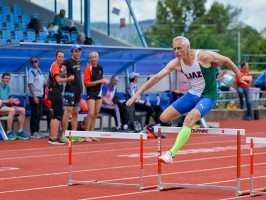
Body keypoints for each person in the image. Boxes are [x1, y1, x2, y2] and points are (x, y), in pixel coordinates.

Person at [126, 36, 251, 164]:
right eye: (174, 49)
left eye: (179, 48)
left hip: (208, 96)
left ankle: (171, 154)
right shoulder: (176, 62)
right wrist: (138, 93)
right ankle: (184, 127)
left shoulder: (203, 56)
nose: (176, 51)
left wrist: (239, 75)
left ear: (188, 47)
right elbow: (157, 77)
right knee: (163, 118)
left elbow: (226, 60)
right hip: (192, 95)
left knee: (189, 119)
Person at [48, 50, 74, 145]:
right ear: (56, 57)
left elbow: (62, 77)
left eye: (62, 57)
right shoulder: (55, 66)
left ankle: (52, 136)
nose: (61, 58)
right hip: (55, 91)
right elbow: (58, 79)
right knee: (58, 115)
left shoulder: (60, 67)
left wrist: (66, 75)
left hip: (55, 91)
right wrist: (68, 79)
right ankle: (54, 138)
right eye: (59, 56)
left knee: (55, 115)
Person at [61, 45, 85, 142]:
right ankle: (64, 134)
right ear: (72, 52)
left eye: (79, 51)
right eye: (76, 51)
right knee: (67, 112)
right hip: (70, 90)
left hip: (78, 91)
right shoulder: (67, 61)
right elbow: (61, 72)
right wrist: (65, 76)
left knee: (75, 113)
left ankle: (74, 134)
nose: (77, 53)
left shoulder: (77, 62)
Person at [83, 51, 109, 141]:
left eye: (95, 57)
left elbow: (101, 80)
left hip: (99, 92)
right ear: (90, 59)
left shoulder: (100, 67)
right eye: (92, 57)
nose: (94, 59)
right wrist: (100, 81)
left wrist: (104, 81)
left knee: (96, 113)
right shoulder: (87, 68)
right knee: (90, 113)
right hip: (91, 92)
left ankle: (91, 133)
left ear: (98, 58)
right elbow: (86, 83)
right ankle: (86, 135)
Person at [0, 73, 30, 140]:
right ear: (2, 79)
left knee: (22, 110)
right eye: (6, 78)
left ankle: (20, 131)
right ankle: (9, 132)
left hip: (5, 107)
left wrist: (13, 100)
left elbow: (7, 100)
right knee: (12, 110)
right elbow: (1, 101)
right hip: (0, 107)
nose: (7, 80)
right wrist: (8, 101)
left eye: (9, 79)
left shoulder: (8, 87)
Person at [27, 57, 45, 139]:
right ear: (31, 63)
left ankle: (37, 130)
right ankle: (33, 131)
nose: (34, 63)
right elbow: (30, 85)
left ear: (38, 62)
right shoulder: (31, 72)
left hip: (40, 95)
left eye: (36, 61)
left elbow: (42, 82)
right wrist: (34, 96)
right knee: (35, 114)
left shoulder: (39, 70)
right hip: (34, 96)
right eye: (32, 62)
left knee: (39, 113)